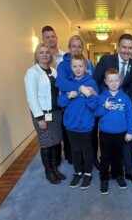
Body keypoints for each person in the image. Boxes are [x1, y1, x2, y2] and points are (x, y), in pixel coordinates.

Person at [94, 33, 132, 185]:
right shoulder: (107, 60)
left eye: (130, 48)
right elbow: (95, 82)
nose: (127, 51)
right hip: (106, 106)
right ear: (118, 47)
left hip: (123, 106)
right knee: (106, 141)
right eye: (124, 47)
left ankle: (130, 172)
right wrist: (102, 101)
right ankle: (106, 170)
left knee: (126, 141)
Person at [24, 43, 66, 184]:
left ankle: (55, 169)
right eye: (41, 52)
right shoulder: (32, 72)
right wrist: (39, 117)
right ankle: (48, 171)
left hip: (55, 113)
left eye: (47, 52)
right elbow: (31, 96)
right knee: (46, 144)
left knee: (55, 143)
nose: (45, 54)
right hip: (42, 114)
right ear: (36, 55)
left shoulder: (54, 71)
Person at [57, 54, 98, 190]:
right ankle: (78, 172)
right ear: (71, 67)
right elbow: (60, 102)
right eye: (74, 66)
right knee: (75, 150)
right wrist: (68, 97)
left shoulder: (91, 83)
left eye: (80, 66)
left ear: (85, 67)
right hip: (70, 124)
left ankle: (87, 173)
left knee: (87, 149)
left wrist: (88, 95)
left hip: (85, 125)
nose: (78, 69)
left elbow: (94, 105)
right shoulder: (68, 83)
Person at [55, 35, 97, 167]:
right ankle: (74, 161)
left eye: (79, 46)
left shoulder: (88, 63)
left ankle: (92, 160)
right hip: (71, 104)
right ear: (68, 47)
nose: (77, 49)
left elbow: (93, 81)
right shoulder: (63, 65)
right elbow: (61, 83)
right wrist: (80, 88)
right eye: (74, 46)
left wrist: (94, 92)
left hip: (87, 107)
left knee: (89, 138)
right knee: (72, 139)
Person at [95, 68, 132, 195]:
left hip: (120, 133)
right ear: (106, 82)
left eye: (116, 80)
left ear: (120, 81)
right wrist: (104, 108)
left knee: (118, 157)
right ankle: (104, 179)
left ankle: (119, 176)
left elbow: (130, 115)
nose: (113, 83)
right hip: (105, 133)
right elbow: (95, 113)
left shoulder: (125, 98)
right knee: (105, 157)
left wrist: (130, 132)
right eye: (110, 81)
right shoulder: (101, 98)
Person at [42, 25, 68, 166]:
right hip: (50, 103)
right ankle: (54, 162)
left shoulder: (65, 56)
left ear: (57, 38)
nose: (51, 39)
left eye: (53, 36)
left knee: (65, 129)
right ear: (43, 39)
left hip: (65, 99)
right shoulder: (40, 59)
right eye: (48, 37)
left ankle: (67, 155)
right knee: (51, 132)